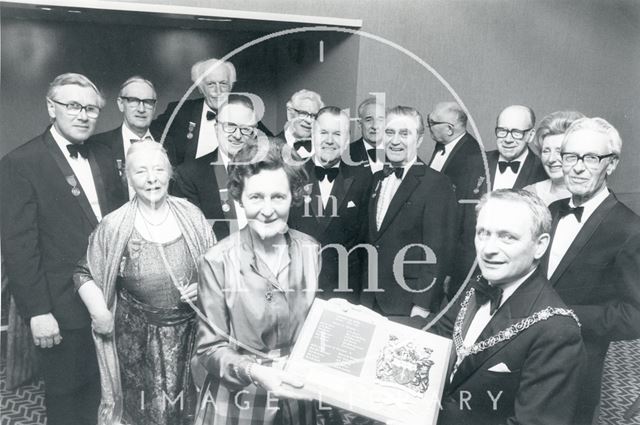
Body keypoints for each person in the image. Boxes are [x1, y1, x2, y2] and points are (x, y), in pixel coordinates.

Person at [0, 73, 126, 425]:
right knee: (68, 402)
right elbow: (19, 247)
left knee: (111, 396)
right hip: (61, 308)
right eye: (73, 106)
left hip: (112, 300)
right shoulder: (20, 163)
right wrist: (38, 312)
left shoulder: (103, 155)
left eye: (91, 108)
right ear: (50, 107)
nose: (83, 115)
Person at [74, 141, 215, 425]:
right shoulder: (114, 225)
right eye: (141, 172)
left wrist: (205, 288)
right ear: (127, 176)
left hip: (190, 337)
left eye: (158, 169)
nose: (152, 178)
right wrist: (100, 313)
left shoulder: (192, 214)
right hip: (137, 342)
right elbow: (82, 273)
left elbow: (219, 269)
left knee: (190, 410)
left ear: (170, 173)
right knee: (145, 413)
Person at [193, 140, 319, 424]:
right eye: (256, 197)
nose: (267, 209)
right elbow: (209, 349)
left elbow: (310, 329)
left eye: (278, 197)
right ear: (240, 198)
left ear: (294, 196)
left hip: (295, 395)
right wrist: (255, 371)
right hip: (239, 398)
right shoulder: (216, 260)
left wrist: (339, 317)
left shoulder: (310, 250)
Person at [434, 189, 586, 425]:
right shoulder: (478, 286)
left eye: (507, 237)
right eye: (482, 233)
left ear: (540, 245)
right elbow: (437, 340)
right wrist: (376, 325)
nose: (487, 249)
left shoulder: (558, 331)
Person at [544, 117, 640, 424]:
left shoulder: (629, 228)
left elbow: (635, 317)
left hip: (577, 368)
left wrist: (562, 314)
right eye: (570, 157)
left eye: (591, 158)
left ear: (610, 165)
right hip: (528, 357)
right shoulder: (552, 211)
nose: (578, 167)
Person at [360, 106, 457, 327]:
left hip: (408, 302)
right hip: (369, 298)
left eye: (405, 134)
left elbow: (439, 251)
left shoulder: (436, 184)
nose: (395, 141)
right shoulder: (376, 179)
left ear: (420, 140)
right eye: (390, 132)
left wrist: (422, 306)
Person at [288, 106, 372, 304]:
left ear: (347, 139)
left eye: (337, 134)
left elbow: (365, 241)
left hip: (345, 291)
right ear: (313, 135)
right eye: (323, 132)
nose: (329, 140)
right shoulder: (293, 175)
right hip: (298, 288)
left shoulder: (362, 178)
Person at [171, 94, 262, 241]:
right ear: (216, 128)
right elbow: (192, 238)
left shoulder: (268, 170)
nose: (237, 135)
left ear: (255, 132)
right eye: (230, 126)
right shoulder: (189, 174)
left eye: (245, 128)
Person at [151, 58, 271, 165]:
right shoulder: (181, 111)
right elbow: (150, 131)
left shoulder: (243, 113)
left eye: (223, 84)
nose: (218, 90)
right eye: (211, 84)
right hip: (188, 185)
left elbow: (271, 141)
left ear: (231, 87)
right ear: (200, 88)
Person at [427, 101, 487, 298]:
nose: (428, 127)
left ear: (450, 129)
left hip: (450, 255)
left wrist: (451, 270)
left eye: (432, 123)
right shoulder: (441, 145)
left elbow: (466, 219)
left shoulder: (472, 156)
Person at [91, 76, 170, 200]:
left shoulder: (169, 143)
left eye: (148, 102)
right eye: (133, 101)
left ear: (154, 107)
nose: (141, 109)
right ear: (121, 104)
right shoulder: (98, 145)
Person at [523, 110, 585, 205]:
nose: (551, 159)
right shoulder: (529, 194)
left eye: (559, 151)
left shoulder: (593, 195)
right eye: (546, 151)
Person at [487, 105, 547, 190]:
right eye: (502, 131)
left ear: (530, 135)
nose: (508, 139)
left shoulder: (543, 171)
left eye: (516, 132)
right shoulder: (475, 163)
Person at [275, 89, 324, 159]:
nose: (309, 121)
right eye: (303, 113)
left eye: (314, 116)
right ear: (290, 113)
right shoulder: (270, 148)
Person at [348, 96, 386, 173]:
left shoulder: (398, 153)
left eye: (380, 120)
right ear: (359, 124)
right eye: (369, 120)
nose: (375, 126)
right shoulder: (345, 154)